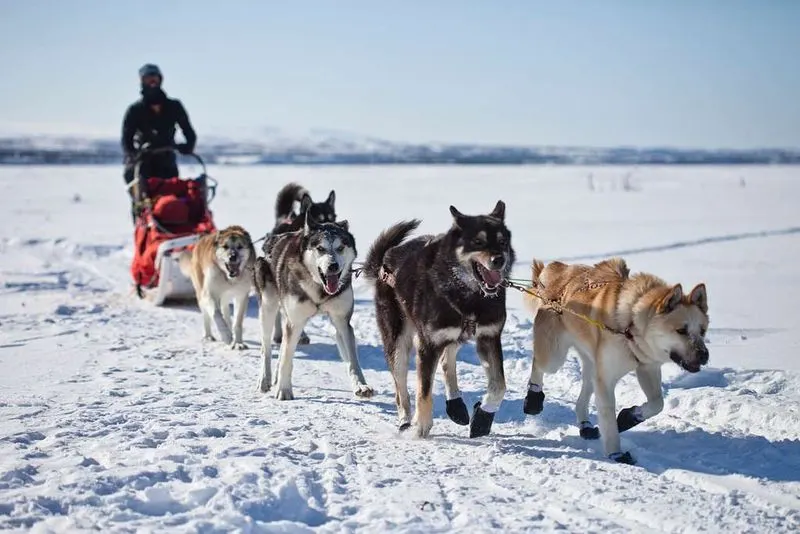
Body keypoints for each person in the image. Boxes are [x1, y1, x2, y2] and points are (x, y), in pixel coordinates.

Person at [121, 64, 198, 211]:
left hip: (167, 162)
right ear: (142, 81)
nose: (152, 82)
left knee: (171, 201)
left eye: (154, 78)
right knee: (143, 205)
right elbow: (126, 139)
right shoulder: (135, 110)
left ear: (160, 79)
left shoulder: (174, 106)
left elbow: (189, 132)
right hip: (144, 164)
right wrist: (134, 154)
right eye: (148, 78)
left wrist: (187, 146)